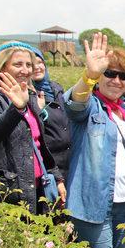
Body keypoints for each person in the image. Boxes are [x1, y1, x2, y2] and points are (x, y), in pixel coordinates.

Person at [63, 33, 125, 248]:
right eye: (109, 73)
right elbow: (74, 104)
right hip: (95, 205)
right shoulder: (91, 107)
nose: (116, 80)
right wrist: (88, 75)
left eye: (123, 76)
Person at [0, 41, 65, 213]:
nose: (25, 70)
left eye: (28, 65)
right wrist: (16, 108)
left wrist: (57, 177)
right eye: (18, 64)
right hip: (10, 192)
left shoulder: (30, 97)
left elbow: (39, 144)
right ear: (2, 68)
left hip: (38, 188)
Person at [30, 47, 71, 179]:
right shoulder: (25, 95)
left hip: (68, 160)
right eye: (31, 64)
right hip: (48, 165)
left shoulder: (56, 88)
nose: (37, 67)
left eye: (40, 62)